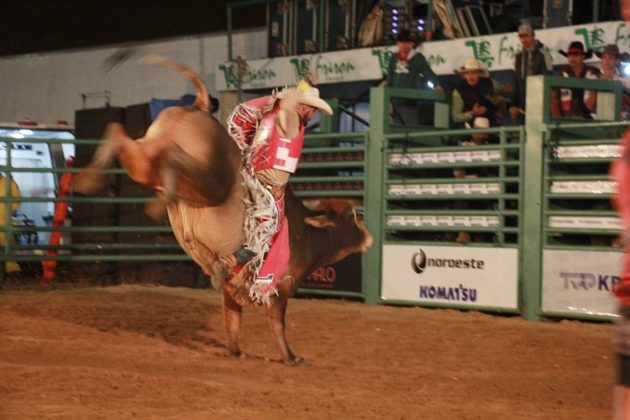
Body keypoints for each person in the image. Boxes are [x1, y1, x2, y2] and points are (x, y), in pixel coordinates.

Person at [218, 80, 333, 303]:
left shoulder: (275, 114)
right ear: (302, 106)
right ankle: (235, 260)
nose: (313, 114)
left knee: (272, 223)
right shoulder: (287, 116)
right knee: (270, 223)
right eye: (312, 109)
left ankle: (245, 271)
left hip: (261, 178)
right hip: (266, 182)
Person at [383, 29, 442, 126]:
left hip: (410, 102)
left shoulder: (417, 57)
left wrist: (436, 84)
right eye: (401, 42)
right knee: (396, 130)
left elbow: (427, 72)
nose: (403, 45)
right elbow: (390, 78)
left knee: (410, 128)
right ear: (397, 43)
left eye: (406, 43)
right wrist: (388, 100)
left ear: (411, 44)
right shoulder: (393, 58)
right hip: (395, 103)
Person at [509, 22, 553, 123]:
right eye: (521, 37)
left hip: (539, 101)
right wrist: (513, 104)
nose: (524, 40)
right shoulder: (517, 57)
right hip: (522, 103)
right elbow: (516, 81)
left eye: (526, 36)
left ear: (533, 36)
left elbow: (548, 78)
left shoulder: (544, 54)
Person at [552, 41, 601, 119]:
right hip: (566, 118)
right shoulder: (562, 74)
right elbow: (554, 98)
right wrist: (558, 120)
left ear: (583, 57)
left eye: (576, 55)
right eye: (570, 56)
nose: (572, 58)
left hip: (588, 118)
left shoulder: (593, 72)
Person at [451, 58, 505, 128]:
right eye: (467, 73)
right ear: (464, 75)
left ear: (479, 74)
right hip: (470, 125)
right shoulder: (458, 91)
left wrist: (497, 108)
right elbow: (456, 117)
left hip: (491, 121)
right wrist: (473, 113)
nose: (471, 77)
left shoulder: (490, 83)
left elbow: (502, 92)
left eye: (474, 73)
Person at [585, 44, 630, 118]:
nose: (607, 61)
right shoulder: (592, 77)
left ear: (617, 61)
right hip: (597, 118)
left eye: (611, 58)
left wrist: (624, 98)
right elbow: (588, 105)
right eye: (604, 57)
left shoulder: (626, 79)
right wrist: (600, 82)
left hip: (620, 118)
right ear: (601, 60)